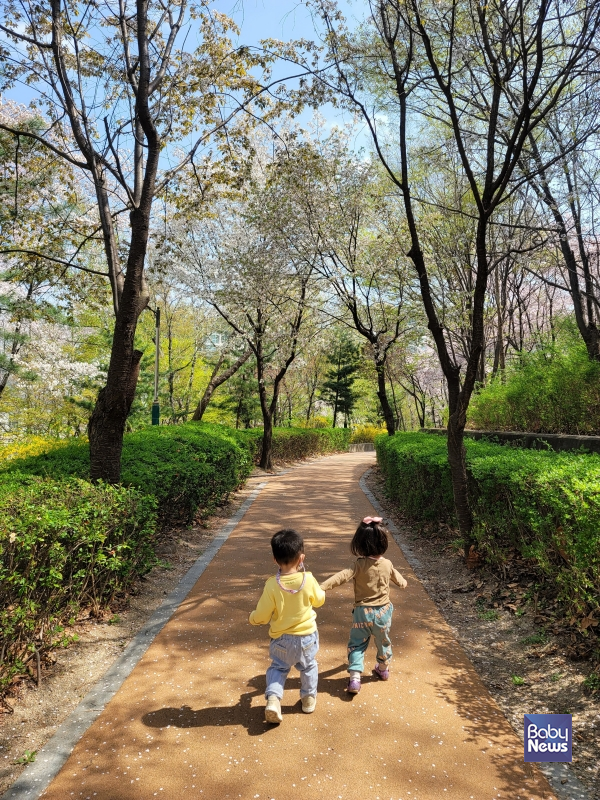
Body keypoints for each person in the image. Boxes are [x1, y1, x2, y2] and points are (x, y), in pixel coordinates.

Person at [320, 516, 407, 695]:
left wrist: (322, 587)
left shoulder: (358, 565)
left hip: (362, 613)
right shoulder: (387, 564)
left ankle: (354, 678)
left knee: (357, 644)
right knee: (383, 641)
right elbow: (400, 581)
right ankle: (383, 668)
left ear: (360, 544)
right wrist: (404, 583)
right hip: (383, 612)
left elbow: (342, 576)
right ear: (384, 543)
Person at [249, 528, 325, 723]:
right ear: (302, 558)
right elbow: (319, 600)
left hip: (281, 640)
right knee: (308, 667)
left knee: (278, 668)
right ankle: (308, 698)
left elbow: (263, 614)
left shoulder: (272, 585)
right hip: (307, 637)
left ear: (274, 559)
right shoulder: (308, 579)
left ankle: (273, 699)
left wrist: (253, 618)